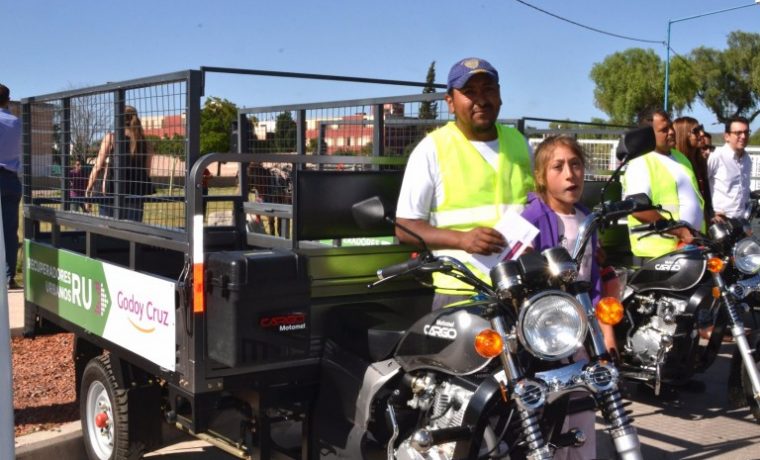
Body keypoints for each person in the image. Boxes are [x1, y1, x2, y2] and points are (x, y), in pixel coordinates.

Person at [395, 57, 534, 309]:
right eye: (469, 92)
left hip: (520, 286)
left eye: (488, 90)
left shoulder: (520, 143)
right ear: (450, 102)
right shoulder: (432, 149)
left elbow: (539, 206)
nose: (481, 100)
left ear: (500, 95)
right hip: (461, 291)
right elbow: (405, 228)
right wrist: (462, 240)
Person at [521, 135, 618, 459]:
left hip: (579, 338)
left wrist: (605, 335)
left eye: (575, 165)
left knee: (582, 410)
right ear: (541, 176)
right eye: (558, 166)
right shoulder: (530, 218)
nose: (570, 174)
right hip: (544, 339)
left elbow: (594, 284)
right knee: (547, 419)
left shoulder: (586, 218)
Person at [622, 109, 703, 260]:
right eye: (664, 130)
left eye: (671, 127)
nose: (672, 132)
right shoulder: (641, 162)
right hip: (656, 256)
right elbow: (637, 209)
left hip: (688, 249)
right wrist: (679, 231)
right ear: (649, 134)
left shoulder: (681, 158)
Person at [85, 105, 154, 221]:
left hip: (112, 192)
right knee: (133, 231)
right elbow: (146, 173)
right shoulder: (147, 144)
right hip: (135, 193)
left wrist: (88, 190)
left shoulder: (111, 138)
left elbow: (97, 167)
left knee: (108, 232)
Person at [708, 116, 752, 220]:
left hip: (741, 222)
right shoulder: (716, 156)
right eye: (738, 133)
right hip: (720, 221)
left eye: (746, 132)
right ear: (727, 136)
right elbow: (701, 186)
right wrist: (710, 213)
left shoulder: (747, 160)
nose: (743, 136)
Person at [0, 84, 21, 289]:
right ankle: (8, 276)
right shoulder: (17, 122)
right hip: (12, 179)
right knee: (9, 231)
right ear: (8, 100)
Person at [673, 117, 712, 223]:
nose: (702, 134)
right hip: (681, 226)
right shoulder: (674, 163)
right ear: (683, 134)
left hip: (701, 227)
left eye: (701, 128)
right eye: (696, 130)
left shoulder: (700, 162)